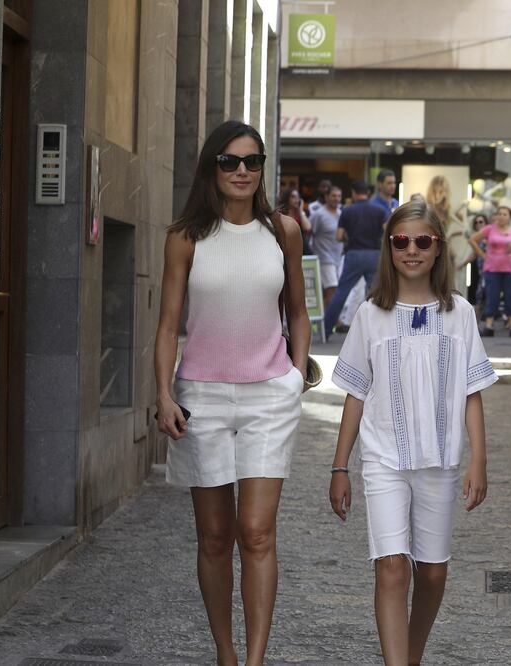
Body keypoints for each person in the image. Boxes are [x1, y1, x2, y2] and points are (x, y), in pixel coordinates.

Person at [154, 121, 308, 666]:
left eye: (252, 161)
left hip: (269, 395)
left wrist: (293, 376)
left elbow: (297, 311)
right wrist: (164, 394)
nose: (242, 171)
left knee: (257, 531)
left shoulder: (283, 231)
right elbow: (169, 324)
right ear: (211, 169)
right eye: (229, 161)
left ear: (263, 168)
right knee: (215, 537)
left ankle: (257, 659)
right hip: (203, 397)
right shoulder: (185, 237)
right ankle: (226, 654)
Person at [328, 201, 496, 666]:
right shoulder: (370, 314)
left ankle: (413, 653)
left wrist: (478, 459)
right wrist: (340, 466)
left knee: (435, 573)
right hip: (383, 460)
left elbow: (472, 392)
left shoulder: (459, 313)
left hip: (440, 462)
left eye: (423, 240)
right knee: (392, 566)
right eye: (401, 241)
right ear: (389, 247)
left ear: (439, 247)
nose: (412, 250)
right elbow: (355, 394)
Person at [324, 183, 388, 337]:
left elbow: (339, 236)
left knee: (341, 292)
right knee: (375, 294)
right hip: (374, 254)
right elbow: (387, 232)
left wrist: (350, 238)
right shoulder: (379, 210)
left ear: (354, 193)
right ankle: (377, 331)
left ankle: (326, 330)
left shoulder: (347, 210)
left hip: (354, 254)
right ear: (367, 192)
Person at [469, 205, 511, 338]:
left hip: (510, 268)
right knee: (491, 296)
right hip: (492, 268)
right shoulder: (490, 229)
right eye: (499, 214)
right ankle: (489, 325)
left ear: (509, 216)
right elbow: (472, 240)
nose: (501, 216)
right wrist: (482, 254)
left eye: (505, 214)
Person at [428, 175, 474, 298]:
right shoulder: (429, 208)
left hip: (447, 249)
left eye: (441, 191)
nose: (439, 194)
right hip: (433, 246)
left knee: (449, 279)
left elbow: (461, 227)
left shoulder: (449, 210)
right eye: (436, 191)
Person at [309, 185, 343, 305]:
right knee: (331, 289)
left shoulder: (341, 213)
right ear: (326, 197)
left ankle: (323, 317)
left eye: (339, 196)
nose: (336, 199)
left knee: (335, 290)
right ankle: (331, 320)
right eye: (333, 196)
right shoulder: (319, 214)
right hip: (324, 257)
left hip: (338, 258)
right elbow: (309, 232)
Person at [278, 188, 313, 255]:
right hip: (285, 247)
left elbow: (307, 228)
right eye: (293, 197)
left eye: (298, 197)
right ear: (287, 198)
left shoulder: (301, 214)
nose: (296, 200)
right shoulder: (281, 214)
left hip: (301, 248)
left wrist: (300, 211)